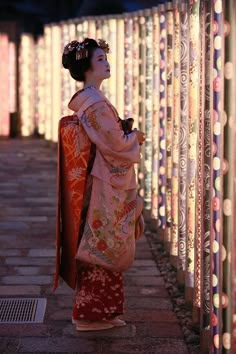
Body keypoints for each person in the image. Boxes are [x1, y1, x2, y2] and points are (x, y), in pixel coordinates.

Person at [54, 38, 145, 331]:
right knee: (100, 245)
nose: (107, 63)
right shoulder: (95, 104)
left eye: (106, 58)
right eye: (100, 59)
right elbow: (114, 144)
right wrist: (134, 138)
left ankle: (102, 313)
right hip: (103, 183)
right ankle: (88, 315)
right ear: (87, 67)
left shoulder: (91, 100)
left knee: (101, 243)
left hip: (99, 178)